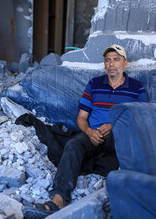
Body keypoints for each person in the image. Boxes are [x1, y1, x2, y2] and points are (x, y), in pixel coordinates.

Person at [24, 44, 148, 219]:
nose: (111, 64)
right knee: (73, 145)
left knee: (137, 153)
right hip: (94, 135)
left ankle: (129, 201)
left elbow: (141, 118)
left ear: (125, 64)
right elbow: (81, 118)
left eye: (116, 60)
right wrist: (89, 131)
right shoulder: (94, 84)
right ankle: (59, 198)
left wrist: (113, 125)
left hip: (119, 136)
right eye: (107, 60)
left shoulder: (136, 87)